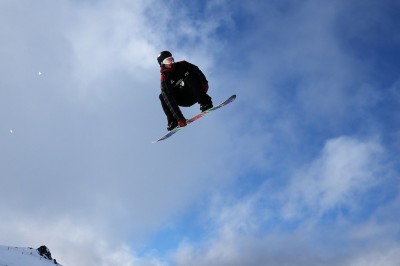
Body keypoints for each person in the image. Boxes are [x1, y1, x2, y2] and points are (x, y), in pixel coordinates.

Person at [157, 51, 213, 131]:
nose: (170, 63)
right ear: (162, 64)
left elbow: (197, 71)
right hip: (183, 99)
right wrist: (180, 118)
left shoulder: (183, 64)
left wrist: (204, 83)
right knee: (163, 96)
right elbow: (170, 101)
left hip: (196, 93)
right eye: (167, 61)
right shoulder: (165, 79)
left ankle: (205, 103)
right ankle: (173, 121)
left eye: (171, 59)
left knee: (189, 78)